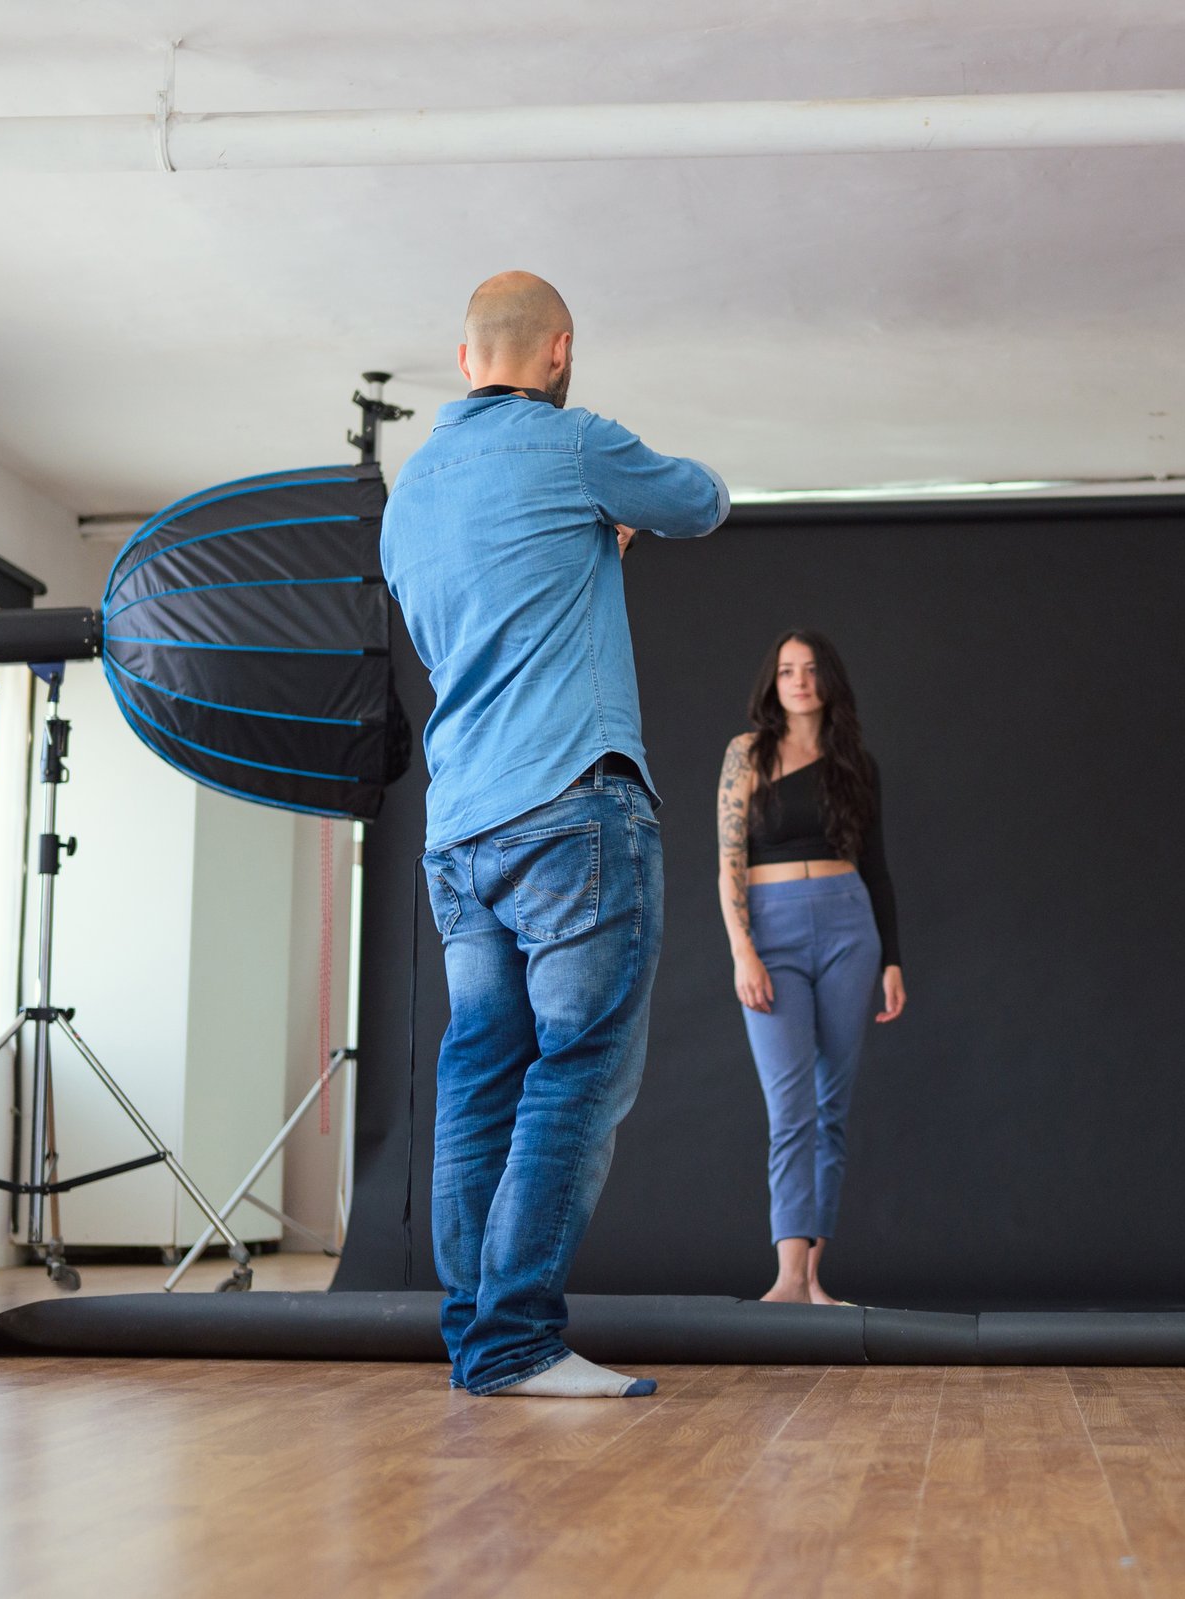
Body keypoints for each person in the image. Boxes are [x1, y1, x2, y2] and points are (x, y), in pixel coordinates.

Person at [383, 271, 729, 1397]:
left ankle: (477, 1341)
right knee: (576, 1067)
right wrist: (615, 515)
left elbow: (479, 630)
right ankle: (518, 1342)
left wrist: (589, 553)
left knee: (481, 1065)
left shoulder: (410, 494)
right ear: (559, 350)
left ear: (464, 353)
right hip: (568, 809)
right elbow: (702, 500)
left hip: (460, 831)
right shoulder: (569, 442)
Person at [716, 630, 906, 1306]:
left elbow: (877, 867)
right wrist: (743, 947)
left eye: (810, 669)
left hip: (850, 925)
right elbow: (728, 859)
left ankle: (814, 1280)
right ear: (773, 681)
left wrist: (891, 957)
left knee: (831, 1105)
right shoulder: (748, 754)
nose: (798, 680)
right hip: (772, 926)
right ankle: (787, 1278)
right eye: (787, 670)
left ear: (829, 680)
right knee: (790, 1105)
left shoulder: (856, 762)